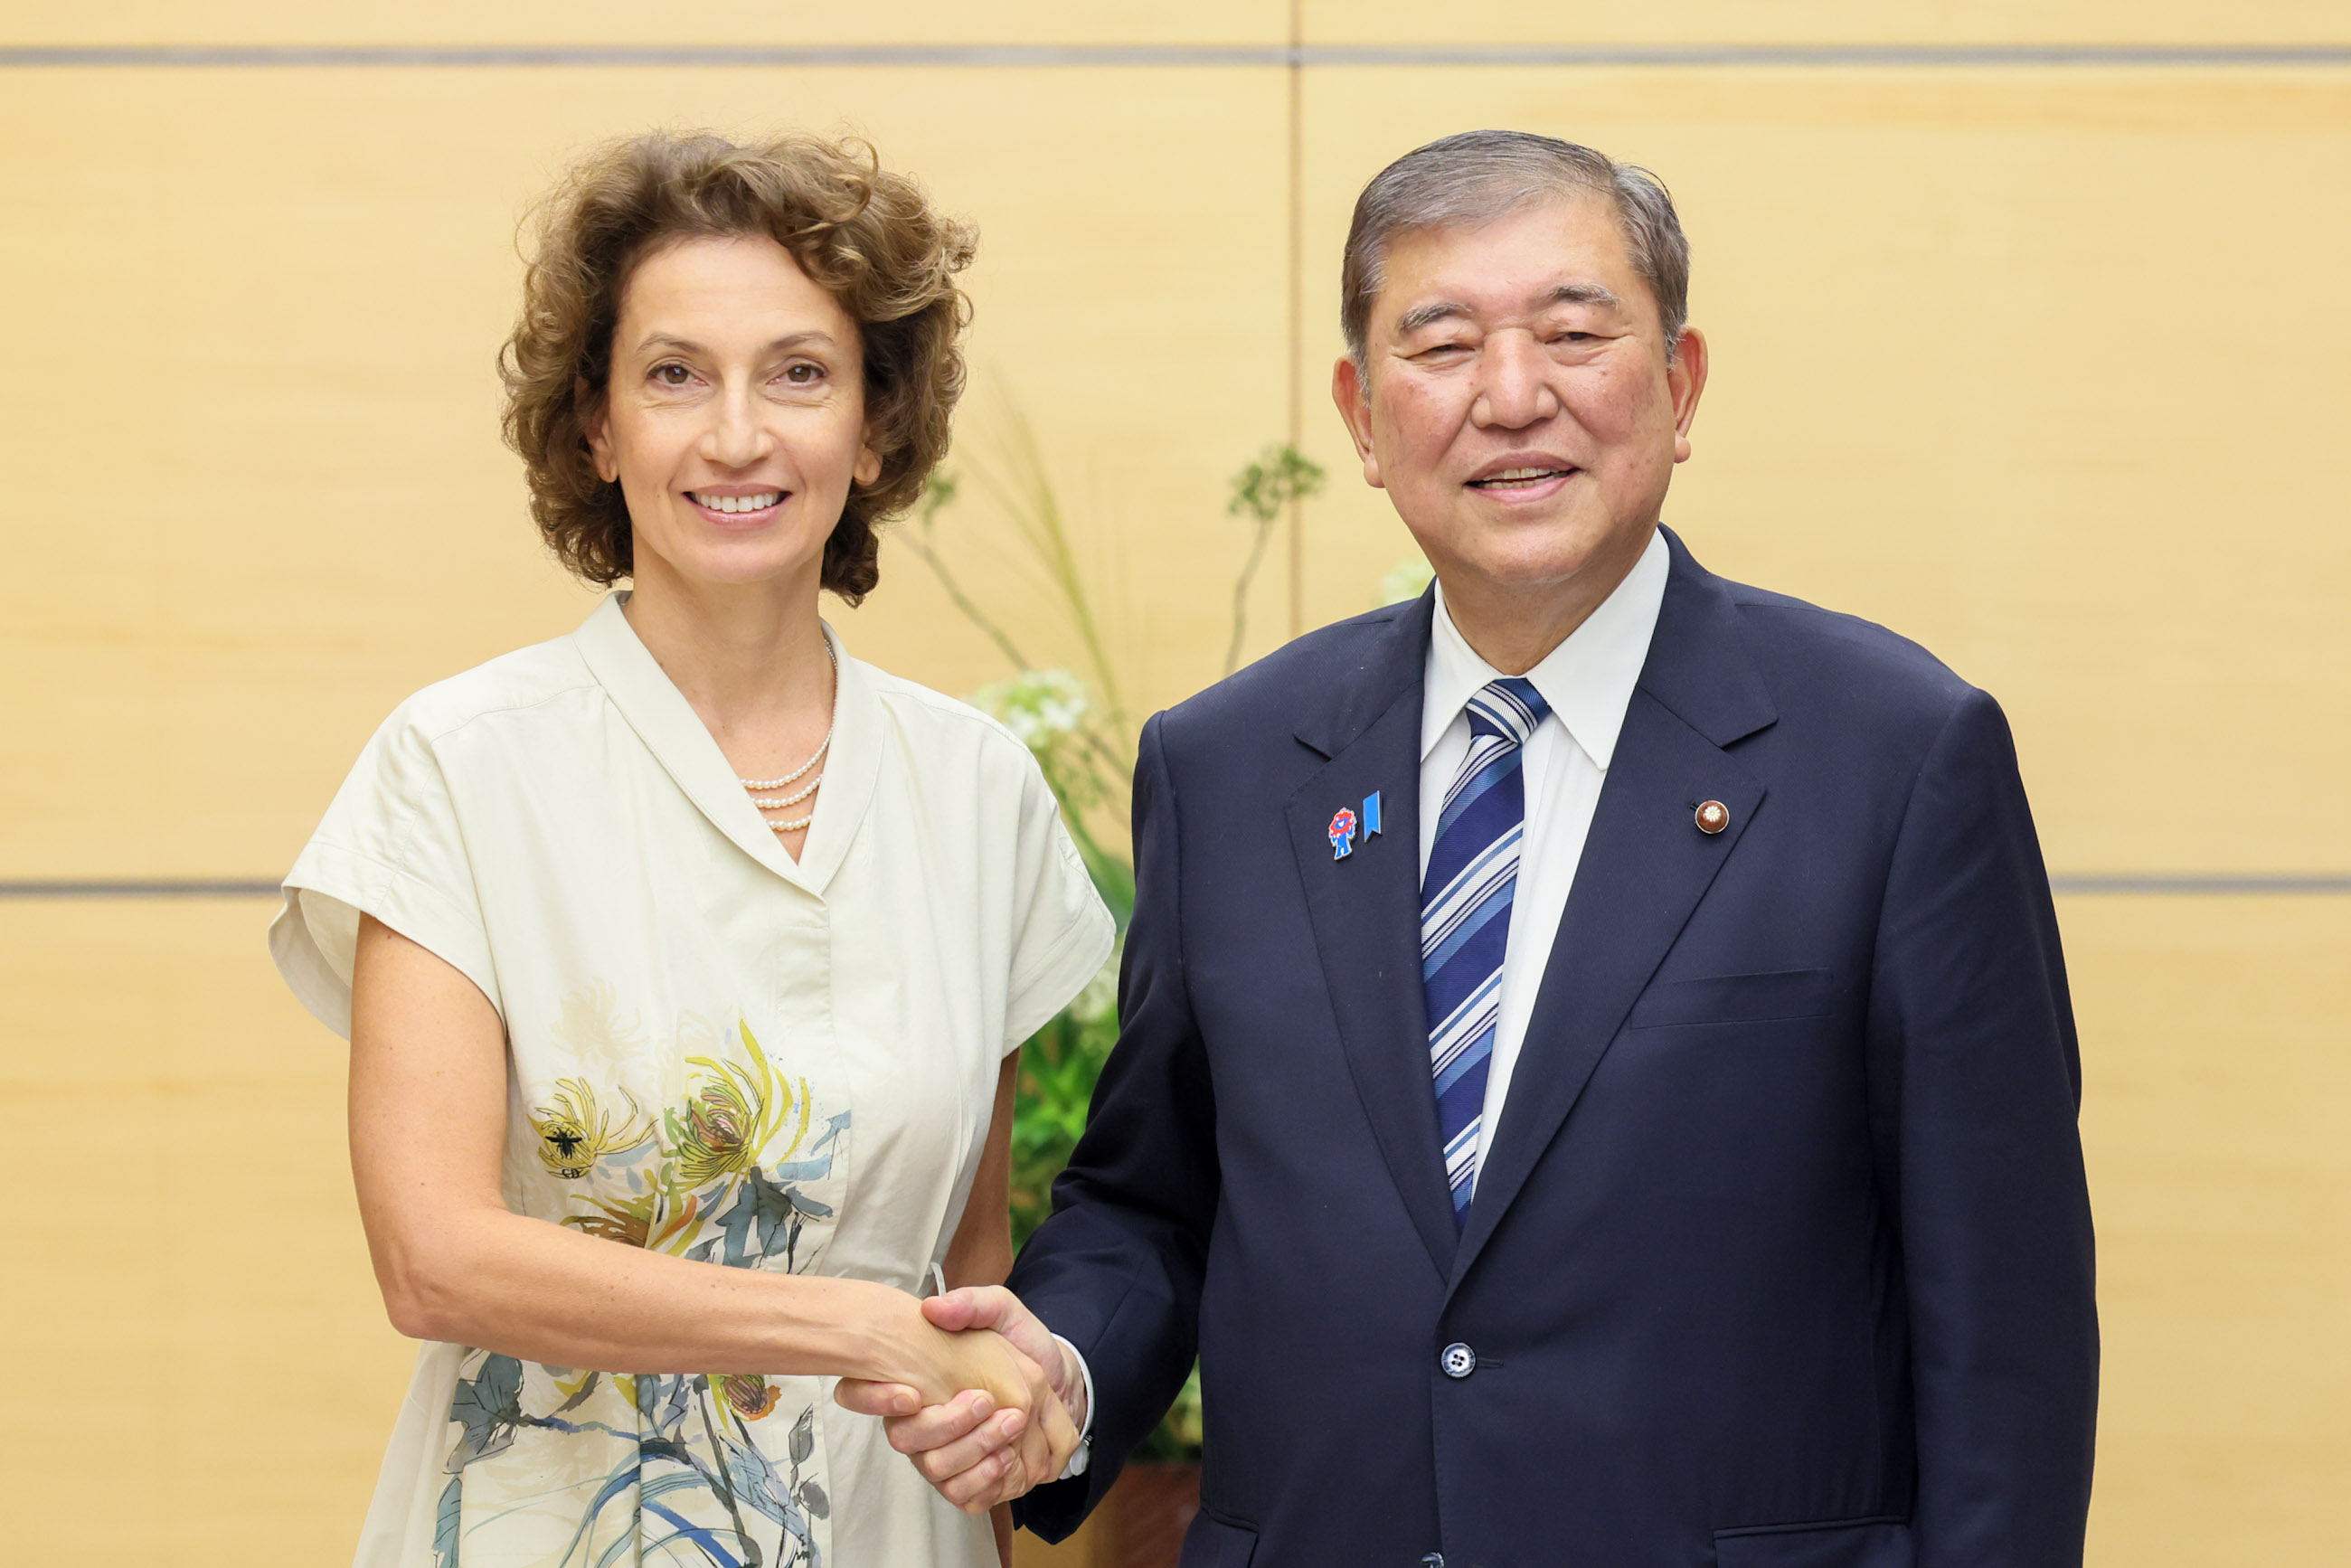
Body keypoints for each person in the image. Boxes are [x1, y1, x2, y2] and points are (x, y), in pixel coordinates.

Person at [846, 130, 2099, 1566]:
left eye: (1574, 334)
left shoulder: (1894, 755)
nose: (1512, 397)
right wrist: (1064, 1372)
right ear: (1363, 416)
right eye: (1442, 346)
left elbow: (2004, 1321)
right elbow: (1151, 1201)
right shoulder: (1230, 766)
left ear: (1681, 384)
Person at [268, 130, 1108, 1568]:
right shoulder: (459, 765)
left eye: (799, 373)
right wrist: (853, 1324)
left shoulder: (980, 788)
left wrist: (1004, 1419)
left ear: (876, 426)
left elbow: (968, 1274)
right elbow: (433, 1256)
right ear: (597, 429)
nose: (736, 435)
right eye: (673, 374)